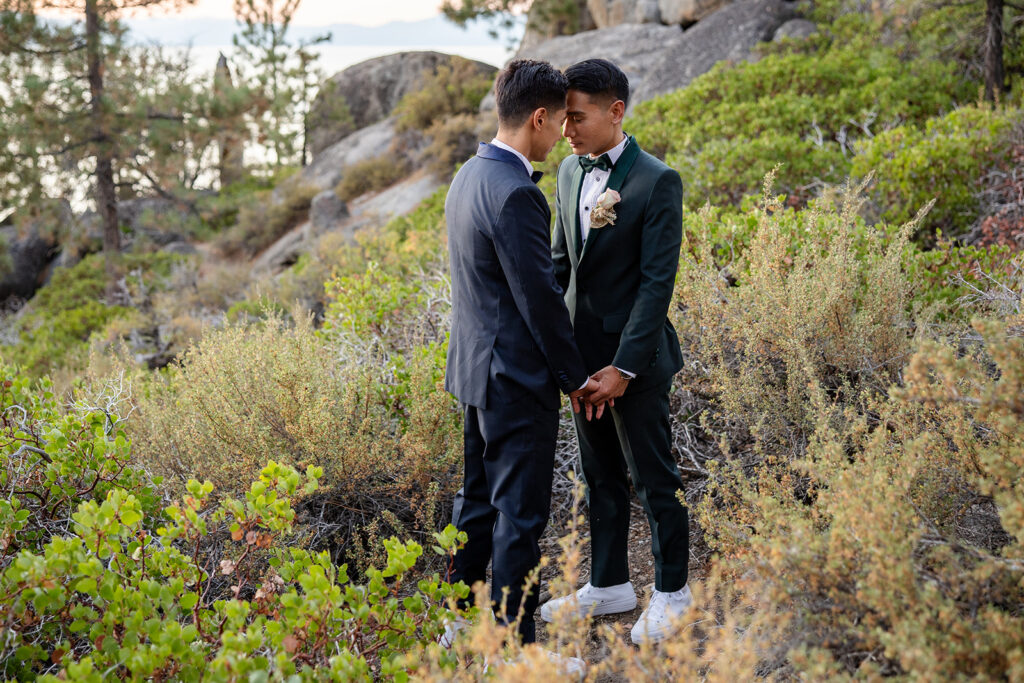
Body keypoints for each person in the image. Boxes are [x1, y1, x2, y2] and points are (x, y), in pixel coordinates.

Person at [443, 58, 602, 650]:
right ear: (538, 117)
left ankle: (457, 618)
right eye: (561, 119)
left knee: (476, 500)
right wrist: (574, 379)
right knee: (520, 517)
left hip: (474, 370)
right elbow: (541, 304)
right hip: (514, 381)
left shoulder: (468, 175)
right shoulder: (515, 194)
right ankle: (515, 652)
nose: (565, 131)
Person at [539, 58, 691, 645]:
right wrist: (563, 357)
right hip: (582, 364)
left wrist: (623, 368)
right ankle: (609, 585)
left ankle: (674, 591)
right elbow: (558, 267)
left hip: (637, 363)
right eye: (563, 118)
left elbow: (658, 285)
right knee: (598, 474)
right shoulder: (569, 175)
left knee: (655, 477)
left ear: (615, 111)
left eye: (577, 117)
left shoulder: (657, 180)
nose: (567, 129)